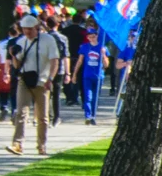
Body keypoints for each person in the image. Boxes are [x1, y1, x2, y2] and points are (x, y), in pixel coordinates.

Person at [6, 11, 63, 156]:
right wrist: (13, 55)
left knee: (42, 116)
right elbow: (17, 65)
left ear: (36, 27)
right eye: (24, 29)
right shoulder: (21, 42)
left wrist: (50, 78)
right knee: (21, 112)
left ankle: (41, 145)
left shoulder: (48, 40)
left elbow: (54, 60)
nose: (27, 32)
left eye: (30, 29)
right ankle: (17, 143)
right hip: (24, 79)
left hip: (42, 81)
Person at [75, 24, 104, 124]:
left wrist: (103, 55)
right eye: (89, 36)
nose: (92, 38)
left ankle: (93, 116)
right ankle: (87, 116)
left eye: (93, 36)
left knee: (95, 98)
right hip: (87, 75)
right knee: (88, 97)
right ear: (87, 37)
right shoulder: (84, 47)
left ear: (97, 36)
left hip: (99, 76)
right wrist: (74, 74)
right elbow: (80, 61)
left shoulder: (102, 47)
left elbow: (106, 64)